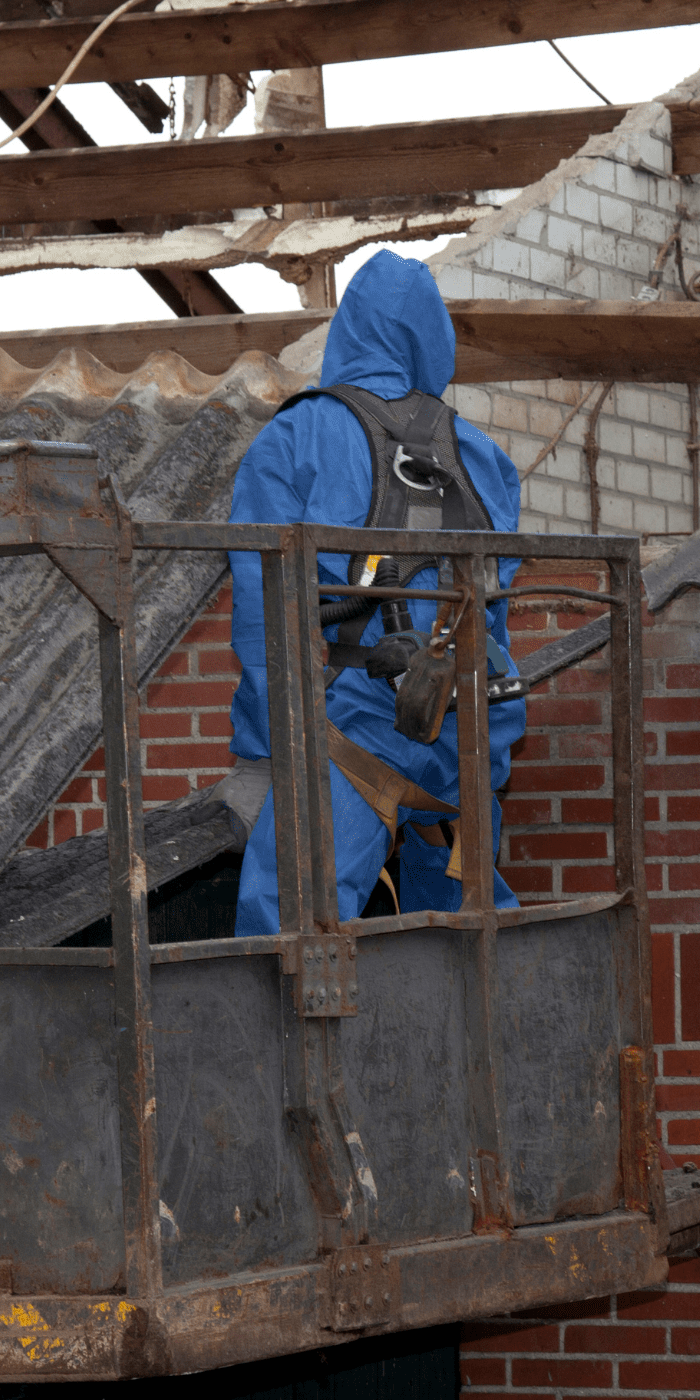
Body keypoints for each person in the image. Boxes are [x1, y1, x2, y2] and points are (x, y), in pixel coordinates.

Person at [228, 251, 524, 934]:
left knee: (291, 937)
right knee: (470, 934)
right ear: (432, 338)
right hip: (469, 734)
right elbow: (494, 610)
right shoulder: (481, 454)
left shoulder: (295, 438)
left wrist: (267, 745)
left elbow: (263, 613)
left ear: (348, 332)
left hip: (358, 730)